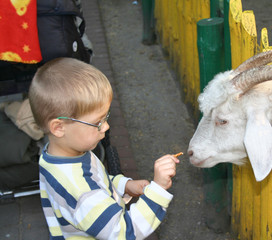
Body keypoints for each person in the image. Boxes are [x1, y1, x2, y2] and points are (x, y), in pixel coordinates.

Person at [28, 57, 180, 239]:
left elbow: (96, 180)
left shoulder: (58, 155)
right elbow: (124, 232)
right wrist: (158, 189)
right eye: (97, 122)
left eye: (106, 117)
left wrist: (125, 186)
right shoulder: (80, 191)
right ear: (59, 128)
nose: (106, 127)